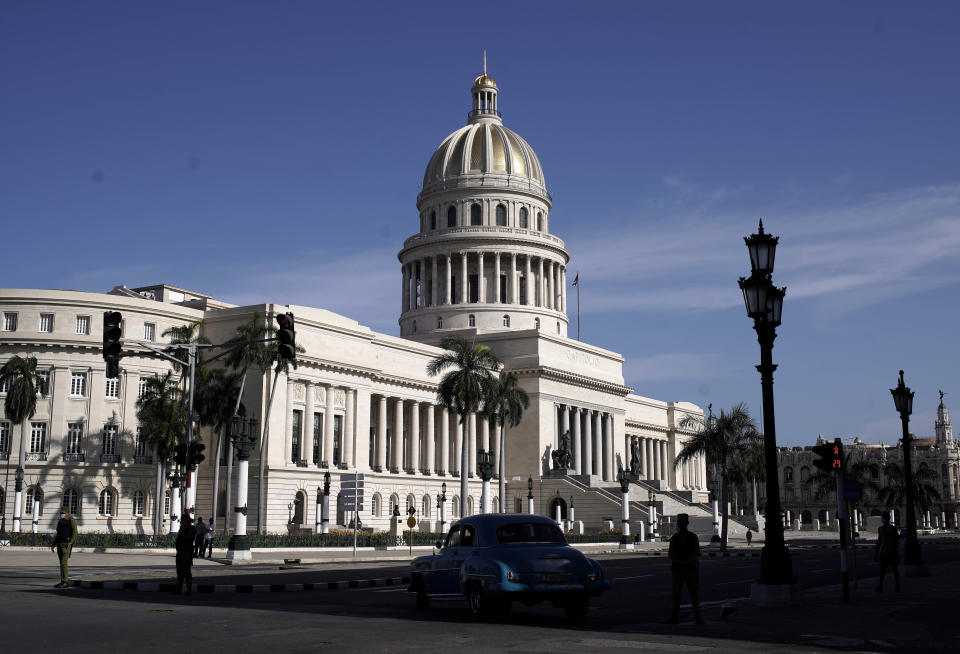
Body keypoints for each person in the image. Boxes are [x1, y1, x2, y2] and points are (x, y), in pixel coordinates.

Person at [667, 513, 703, 625]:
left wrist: (685, 562)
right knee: (676, 596)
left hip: (690, 570)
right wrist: (680, 562)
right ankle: (674, 617)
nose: (681, 524)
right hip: (678, 570)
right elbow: (671, 553)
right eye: (679, 522)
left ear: (686, 523)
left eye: (682, 522)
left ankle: (698, 618)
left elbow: (695, 552)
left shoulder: (693, 537)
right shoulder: (675, 538)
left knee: (694, 595)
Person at [50, 507, 78, 588]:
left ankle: (65, 581)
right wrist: (53, 544)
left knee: (63, 562)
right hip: (59, 544)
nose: (61, 514)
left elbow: (75, 532)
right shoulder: (60, 521)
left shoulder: (71, 520)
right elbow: (58, 533)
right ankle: (62, 581)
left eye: (63, 513)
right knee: (61, 563)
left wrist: (71, 541)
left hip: (66, 545)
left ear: (66, 513)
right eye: (61, 513)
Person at [874, 511, 900, 593]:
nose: (883, 519)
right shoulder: (880, 529)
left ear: (888, 519)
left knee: (895, 570)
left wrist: (894, 549)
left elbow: (896, 540)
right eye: (882, 517)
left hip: (892, 552)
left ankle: (897, 586)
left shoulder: (893, 529)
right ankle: (880, 586)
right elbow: (879, 541)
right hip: (884, 552)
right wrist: (876, 553)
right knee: (882, 571)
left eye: (884, 517)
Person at [175, 516, 196, 595]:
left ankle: (189, 590)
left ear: (186, 521)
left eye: (182, 520)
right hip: (180, 553)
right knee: (179, 572)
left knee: (187, 572)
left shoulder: (192, 529)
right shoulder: (182, 528)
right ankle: (178, 589)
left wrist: (183, 531)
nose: (181, 522)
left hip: (187, 553)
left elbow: (189, 538)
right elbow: (178, 540)